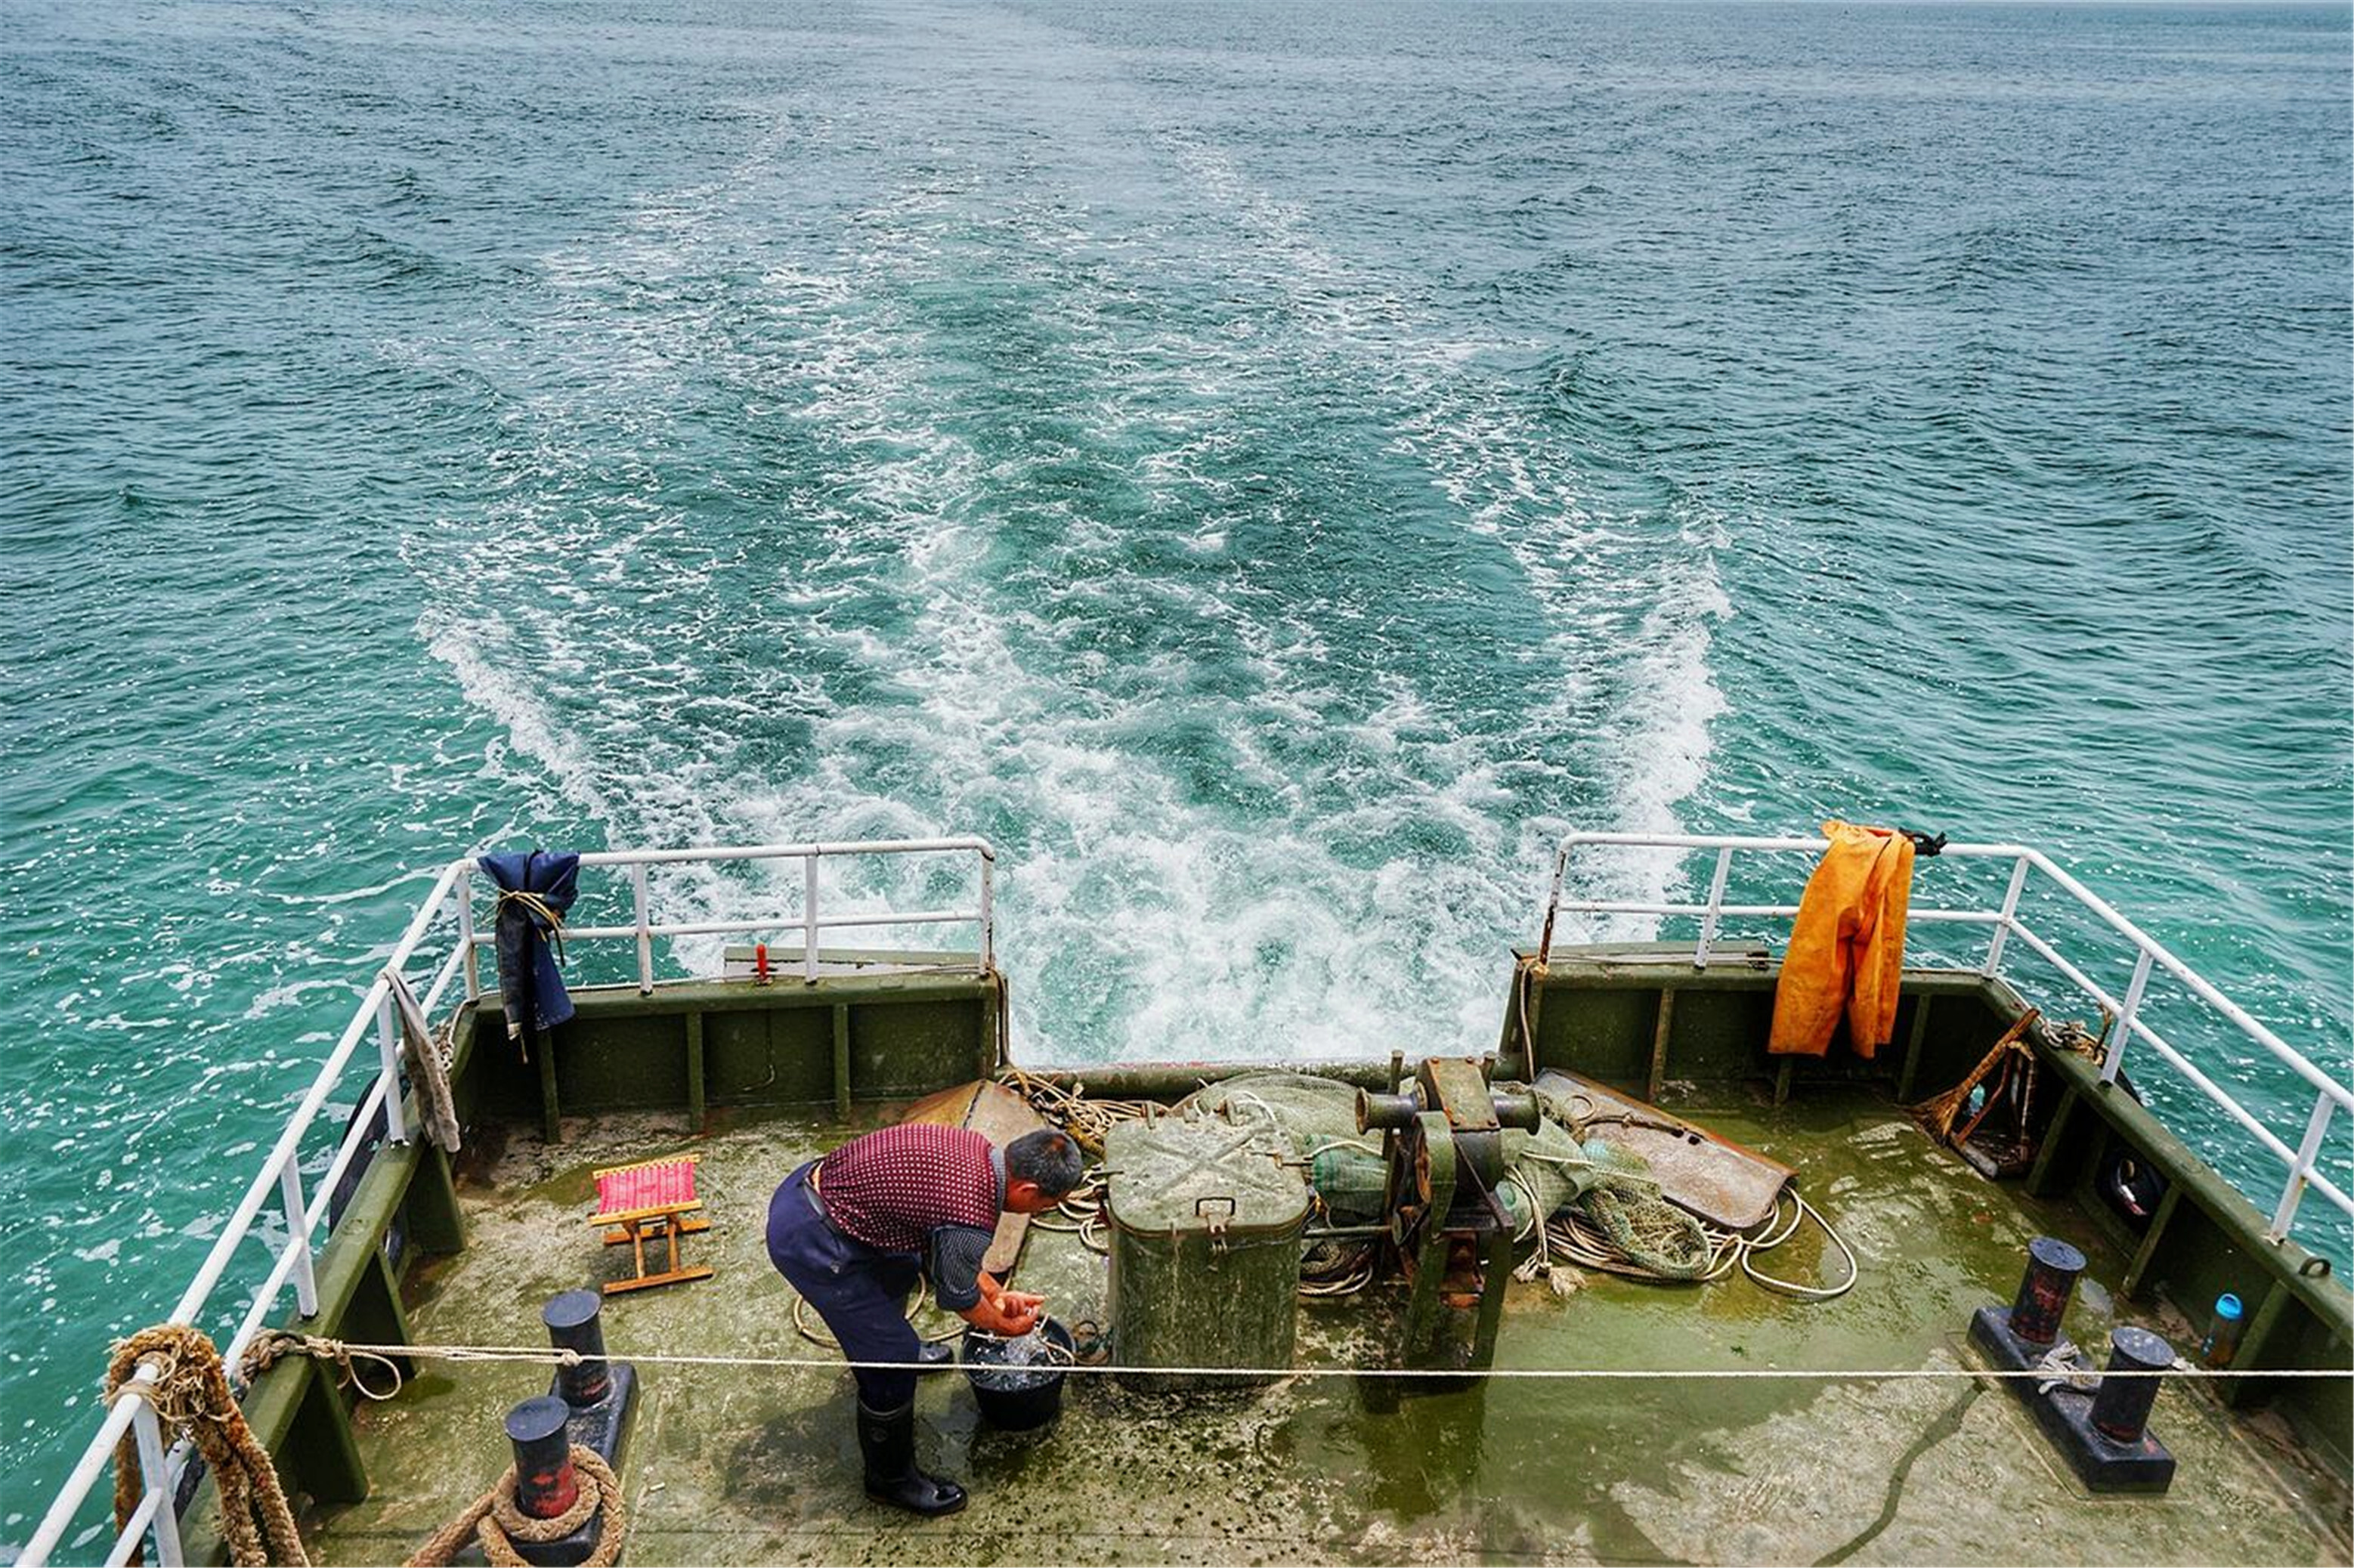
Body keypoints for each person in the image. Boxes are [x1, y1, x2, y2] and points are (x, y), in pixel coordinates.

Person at [766, 1122, 1084, 1517]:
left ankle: (891, 1342)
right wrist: (1006, 1326)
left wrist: (998, 1295)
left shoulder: (977, 1150)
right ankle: (890, 1480)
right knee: (891, 1362)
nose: (1040, 1212)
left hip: (818, 1193)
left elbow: (946, 1252)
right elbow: (959, 1299)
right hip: (812, 1239)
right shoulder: (972, 1212)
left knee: (902, 1266)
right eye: (1045, 1206)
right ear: (1030, 1192)